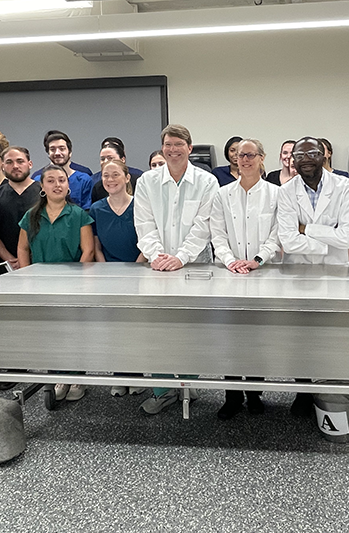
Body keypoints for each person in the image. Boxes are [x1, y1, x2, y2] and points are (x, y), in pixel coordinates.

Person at [134, 123, 218, 415]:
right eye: (167, 145)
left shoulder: (206, 181)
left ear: (189, 148)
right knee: (157, 328)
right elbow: (144, 223)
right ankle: (162, 390)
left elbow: (204, 225)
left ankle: (187, 383)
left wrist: (181, 257)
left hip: (195, 264)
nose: (172, 150)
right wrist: (157, 256)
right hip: (158, 267)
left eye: (178, 144)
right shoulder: (147, 181)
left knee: (192, 328)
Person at [277, 136, 349, 416]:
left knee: (331, 334)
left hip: (335, 273)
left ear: (324, 155)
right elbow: (287, 240)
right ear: (292, 161)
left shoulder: (345, 187)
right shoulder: (286, 191)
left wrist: (306, 228)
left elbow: (348, 236)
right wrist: (328, 239)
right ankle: (302, 390)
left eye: (311, 153)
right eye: (298, 156)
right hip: (297, 272)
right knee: (299, 335)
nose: (305, 159)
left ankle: (329, 389)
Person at [210, 138, 280, 420]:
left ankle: (254, 393)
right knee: (230, 337)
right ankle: (231, 395)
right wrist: (231, 261)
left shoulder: (276, 194)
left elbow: (277, 233)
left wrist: (258, 260)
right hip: (230, 274)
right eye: (240, 155)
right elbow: (217, 233)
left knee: (256, 336)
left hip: (263, 272)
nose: (245, 160)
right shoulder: (222, 194)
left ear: (262, 158)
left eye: (251, 155)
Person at [18, 164, 94, 402]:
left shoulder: (79, 214)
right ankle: (58, 376)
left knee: (74, 331)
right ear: (42, 186)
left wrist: (78, 282)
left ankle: (77, 376)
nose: (57, 184)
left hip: (72, 283)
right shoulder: (31, 216)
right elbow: (22, 248)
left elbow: (88, 250)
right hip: (40, 284)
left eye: (61, 180)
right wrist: (25, 276)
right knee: (50, 332)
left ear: (68, 185)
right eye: (51, 181)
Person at [89, 159, 148, 398]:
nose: (110, 180)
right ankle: (119, 375)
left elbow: (148, 241)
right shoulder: (96, 209)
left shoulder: (141, 206)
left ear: (127, 178)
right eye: (106, 176)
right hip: (109, 274)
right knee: (114, 328)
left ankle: (137, 374)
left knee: (137, 327)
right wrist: (107, 274)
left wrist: (135, 270)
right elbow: (96, 246)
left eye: (115, 175)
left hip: (140, 272)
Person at [0, 146, 41, 271]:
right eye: (9, 162)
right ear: (3, 166)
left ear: (30, 164)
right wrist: (9, 259)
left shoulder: (44, 193)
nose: (15, 166)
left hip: (41, 261)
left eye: (20, 161)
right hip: (7, 265)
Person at [33, 131, 93, 209]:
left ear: (70, 152)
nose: (57, 153)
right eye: (52, 149)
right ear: (48, 153)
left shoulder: (84, 180)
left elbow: (87, 212)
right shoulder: (38, 180)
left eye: (62, 148)